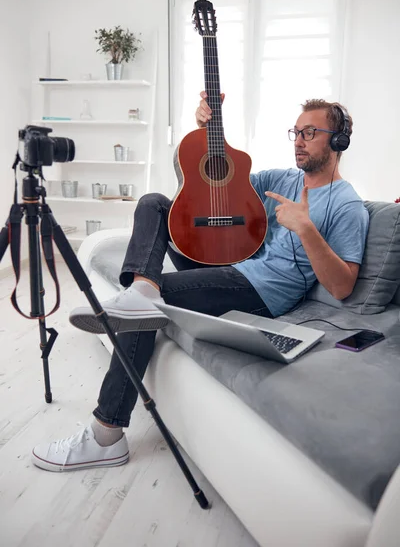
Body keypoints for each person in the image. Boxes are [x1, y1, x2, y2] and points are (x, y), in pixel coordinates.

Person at [31, 93, 369, 472]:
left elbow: (343, 286)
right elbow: (217, 189)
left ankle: (105, 435)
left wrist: (306, 228)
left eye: (310, 132)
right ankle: (141, 288)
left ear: (338, 140)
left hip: (261, 291)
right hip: (232, 265)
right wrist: (207, 132)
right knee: (154, 202)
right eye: (295, 131)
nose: (298, 140)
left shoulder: (347, 205)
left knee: (149, 308)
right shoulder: (282, 179)